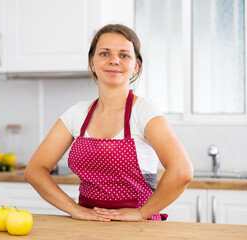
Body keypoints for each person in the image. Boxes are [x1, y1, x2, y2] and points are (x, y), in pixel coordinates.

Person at [24, 24, 193, 222]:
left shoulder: (145, 112)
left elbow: (182, 172)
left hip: (139, 229)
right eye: (104, 53)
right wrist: (73, 208)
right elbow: (34, 170)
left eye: (124, 55)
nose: (114, 60)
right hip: (88, 227)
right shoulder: (77, 114)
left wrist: (141, 213)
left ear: (136, 66)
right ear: (92, 63)